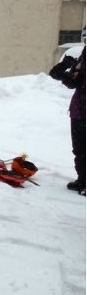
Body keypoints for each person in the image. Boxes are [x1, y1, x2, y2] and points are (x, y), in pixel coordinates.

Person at [49, 43, 85, 195]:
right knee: (80, 149)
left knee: (82, 149)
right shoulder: (84, 55)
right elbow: (74, 82)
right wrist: (62, 70)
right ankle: (83, 181)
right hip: (79, 111)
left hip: (81, 109)